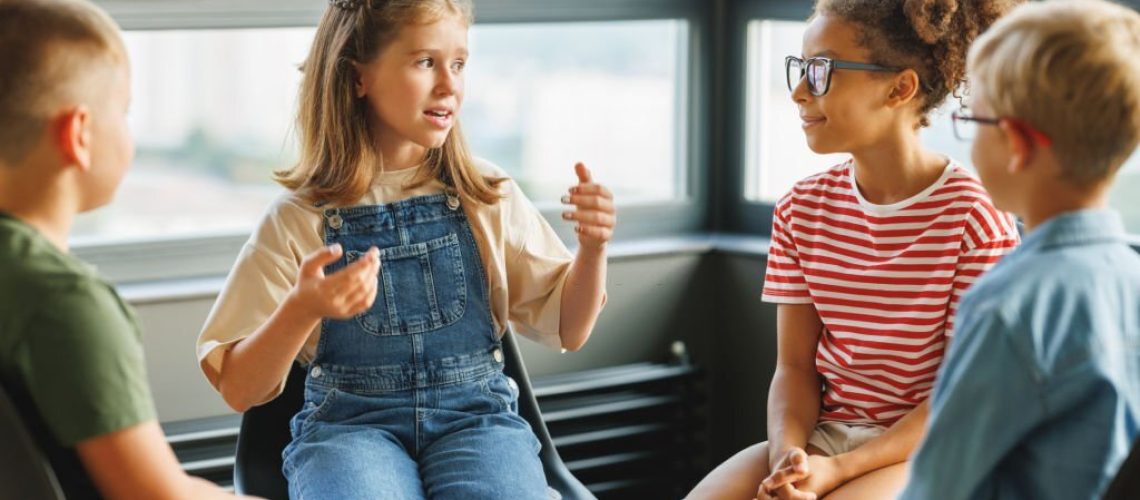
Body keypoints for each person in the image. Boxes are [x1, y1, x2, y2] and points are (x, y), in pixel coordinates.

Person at [194, 0, 614, 498]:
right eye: (425, 62)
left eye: (458, 63)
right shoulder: (297, 219)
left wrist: (591, 250)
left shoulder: (486, 193)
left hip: (477, 425)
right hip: (348, 433)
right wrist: (302, 308)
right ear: (357, 78)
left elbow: (571, 327)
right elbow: (241, 389)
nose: (449, 84)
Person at [688, 1, 1021, 498]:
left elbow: (958, 400)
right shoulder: (800, 209)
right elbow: (795, 369)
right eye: (800, 70)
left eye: (822, 71)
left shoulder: (974, 219)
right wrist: (788, 460)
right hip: (826, 441)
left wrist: (840, 472)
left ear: (899, 88)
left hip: (933, 449)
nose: (800, 92)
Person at [0, 1, 254, 498]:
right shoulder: (61, 301)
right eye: (124, 111)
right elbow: (156, 494)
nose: (129, 132)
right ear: (79, 134)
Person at [901, 1, 1140, 498]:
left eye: (973, 119)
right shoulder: (1130, 274)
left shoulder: (1008, 307)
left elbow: (936, 487)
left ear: (1015, 143)